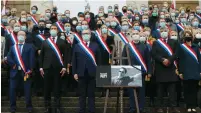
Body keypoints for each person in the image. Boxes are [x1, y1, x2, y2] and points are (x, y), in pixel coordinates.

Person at [39, 24, 70, 113]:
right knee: (47, 89)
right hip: (47, 68)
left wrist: (64, 67)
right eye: (52, 28)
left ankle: (57, 107)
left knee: (57, 88)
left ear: (57, 31)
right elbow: (41, 56)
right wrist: (41, 67)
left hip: (58, 68)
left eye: (54, 29)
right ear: (49, 30)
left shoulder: (62, 41)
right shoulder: (45, 42)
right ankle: (47, 107)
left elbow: (66, 56)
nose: (53, 30)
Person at [122, 30, 152, 113]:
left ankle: (141, 108)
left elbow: (148, 60)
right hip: (130, 72)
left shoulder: (144, 46)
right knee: (131, 92)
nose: (135, 35)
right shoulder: (127, 46)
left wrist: (149, 72)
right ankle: (132, 108)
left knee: (141, 92)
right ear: (131, 36)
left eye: (137, 34)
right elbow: (123, 60)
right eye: (134, 34)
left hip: (141, 71)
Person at [152, 27, 180, 113]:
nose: (164, 32)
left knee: (172, 90)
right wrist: (162, 60)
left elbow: (176, 53)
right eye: (162, 31)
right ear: (159, 33)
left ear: (168, 32)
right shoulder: (156, 43)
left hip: (171, 68)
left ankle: (173, 106)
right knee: (160, 90)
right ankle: (159, 107)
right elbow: (154, 54)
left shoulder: (174, 42)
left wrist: (169, 60)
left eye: (165, 31)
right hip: (161, 68)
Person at [72, 29, 101, 113]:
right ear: (81, 35)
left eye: (87, 33)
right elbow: (74, 61)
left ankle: (91, 110)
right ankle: (82, 110)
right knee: (82, 94)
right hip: (81, 73)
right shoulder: (77, 46)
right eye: (84, 33)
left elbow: (99, 61)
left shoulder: (96, 45)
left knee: (91, 94)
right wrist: (74, 73)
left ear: (90, 35)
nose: (86, 35)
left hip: (92, 73)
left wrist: (98, 73)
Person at [7, 30, 35, 113]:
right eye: (19, 35)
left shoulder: (30, 46)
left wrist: (30, 69)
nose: (21, 36)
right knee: (12, 90)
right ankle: (13, 107)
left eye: (23, 35)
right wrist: (14, 64)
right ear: (17, 36)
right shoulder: (13, 47)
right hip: (14, 72)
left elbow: (32, 59)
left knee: (27, 90)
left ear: (25, 37)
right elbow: (9, 57)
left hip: (26, 72)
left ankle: (29, 107)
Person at [176, 31, 201, 113]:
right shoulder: (181, 47)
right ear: (184, 37)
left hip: (195, 71)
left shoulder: (196, 47)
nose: (188, 37)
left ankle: (193, 105)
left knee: (194, 90)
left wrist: (200, 71)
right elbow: (179, 60)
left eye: (189, 35)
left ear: (192, 37)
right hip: (185, 71)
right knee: (187, 90)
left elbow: (199, 60)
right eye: (186, 35)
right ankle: (188, 106)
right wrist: (180, 72)